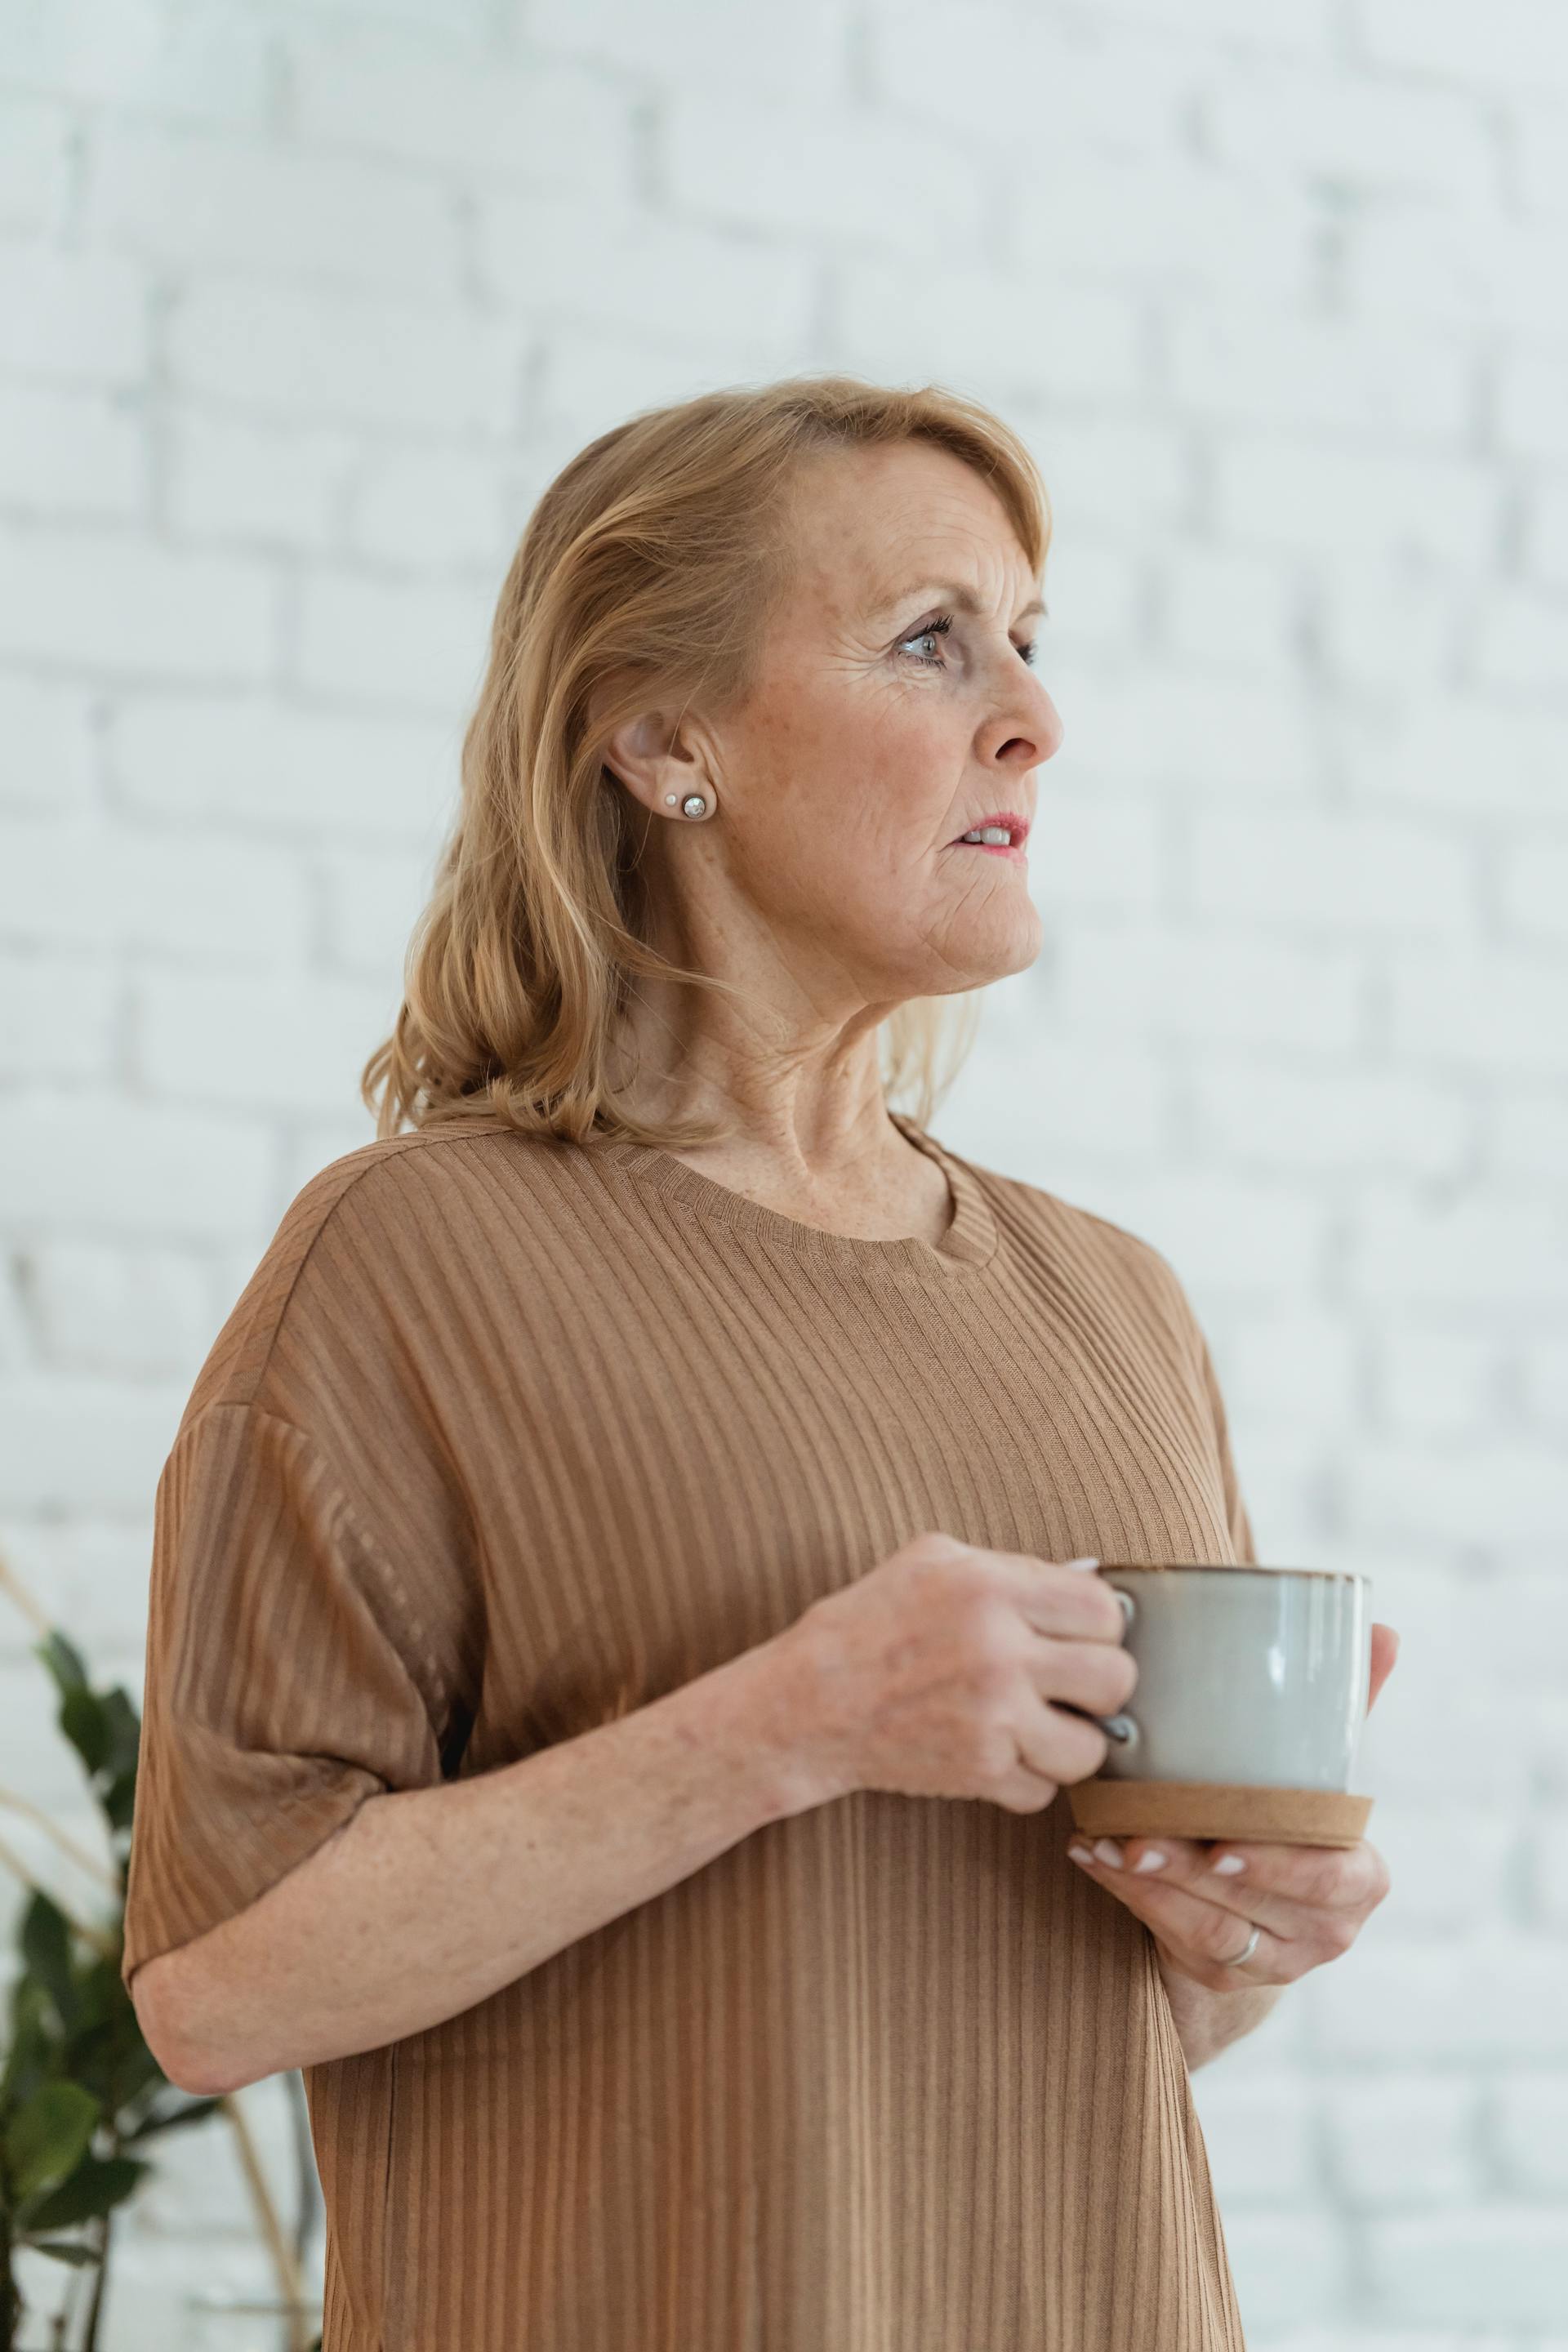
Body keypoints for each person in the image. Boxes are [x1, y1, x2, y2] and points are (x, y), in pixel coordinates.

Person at [120, 376, 1392, 2351]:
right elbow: (215, 1986)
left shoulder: (1116, 1303)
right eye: (928, 641)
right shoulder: (411, 1261)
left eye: (1031, 645)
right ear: (659, 737)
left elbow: (1098, 2021)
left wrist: (1241, 1935)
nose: (1034, 717)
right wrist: (789, 1721)